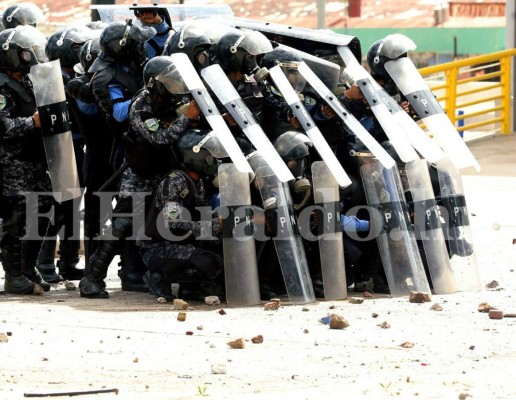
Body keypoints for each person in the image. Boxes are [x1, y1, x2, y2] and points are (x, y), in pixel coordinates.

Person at [78, 56, 201, 299]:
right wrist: (186, 118)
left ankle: (171, 278)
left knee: (173, 222)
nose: (175, 85)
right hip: (140, 175)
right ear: (155, 83)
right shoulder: (141, 104)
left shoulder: (175, 100)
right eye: (169, 81)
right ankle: (92, 278)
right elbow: (159, 137)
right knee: (122, 226)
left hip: (167, 175)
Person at [35, 25, 95, 283]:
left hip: (76, 148)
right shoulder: (49, 78)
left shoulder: (75, 76)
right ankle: (46, 264)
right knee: (57, 208)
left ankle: (69, 262)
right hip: (57, 149)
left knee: (72, 207)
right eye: (78, 48)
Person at [138, 129, 225, 302]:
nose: (212, 160)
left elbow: (201, 217)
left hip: (182, 242)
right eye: (208, 156)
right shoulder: (174, 181)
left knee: (221, 253)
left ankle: (190, 289)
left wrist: (224, 220)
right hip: (157, 247)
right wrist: (216, 225)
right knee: (208, 261)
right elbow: (174, 226)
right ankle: (157, 277)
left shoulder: (197, 182)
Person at [0, 25, 53, 294]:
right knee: (15, 219)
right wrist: (31, 123)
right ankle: (12, 274)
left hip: (34, 162)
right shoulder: (1, 87)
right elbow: (3, 126)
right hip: (11, 164)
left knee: (43, 212)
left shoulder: (27, 82)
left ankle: (27, 267)